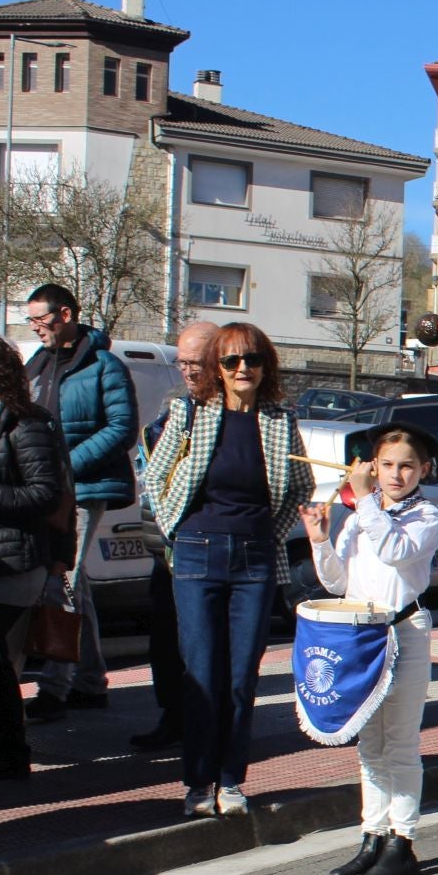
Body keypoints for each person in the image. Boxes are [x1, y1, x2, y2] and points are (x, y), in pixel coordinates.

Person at [144, 323, 313, 819]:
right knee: (201, 674)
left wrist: (273, 532)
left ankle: (230, 780)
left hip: (256, 557)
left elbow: (300, 485)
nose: (244, 369)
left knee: (241, 677)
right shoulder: (189, 413)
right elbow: (154, 480)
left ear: (267, 366)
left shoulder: (281, 419)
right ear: (217, 367)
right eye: (232, 361)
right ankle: (197, 781)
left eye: (254, 360)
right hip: (198, 552)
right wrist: (178, 529)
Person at [305, 423, 438, 875]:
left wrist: (365, 501)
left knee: (400, 742)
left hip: (405, 629)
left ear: (423, 469)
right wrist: (320, 539)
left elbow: (394, 551)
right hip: (362, 637)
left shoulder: (426, 515)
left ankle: (402, 841)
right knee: (370, 744)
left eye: (406, 465)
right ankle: (372, 834)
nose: (395, 474)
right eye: (386, 465)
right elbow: (335, 583)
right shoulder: (359, 516)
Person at [21, 283, 137, 723]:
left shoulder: (104, 364)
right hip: (45, 489)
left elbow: (122, 428)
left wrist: (67, 466)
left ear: (65, 314)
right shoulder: (37, 364)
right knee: (77, 585)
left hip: (83, 490)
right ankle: (90, 682)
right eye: (30, 320)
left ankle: (55, 686)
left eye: (41, 319)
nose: (35, 329)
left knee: (62, 581)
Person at [0, 334, 65, 783]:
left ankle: (7, 753)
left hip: (9, 567)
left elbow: (46, 495)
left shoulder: (25, 424)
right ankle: (12, 754)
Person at [130, 321, 216, 751]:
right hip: (166, 547)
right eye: (182, 362)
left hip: (210, 548)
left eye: (196, 363)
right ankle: (172, 715)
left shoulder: (237, 412)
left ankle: (206, 724)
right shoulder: (173, 411)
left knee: (205, 643)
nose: (188, 371)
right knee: (165, 637)